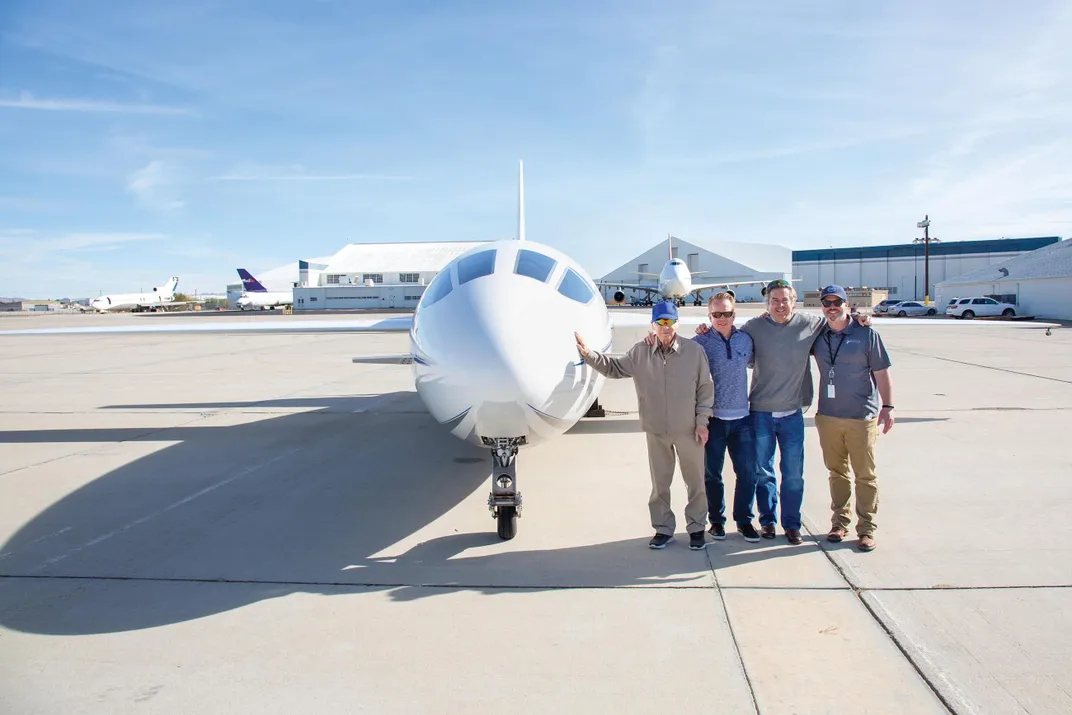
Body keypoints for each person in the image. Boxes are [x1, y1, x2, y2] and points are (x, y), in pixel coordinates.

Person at [696, 279, 869, 545]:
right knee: (762, 473)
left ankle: (790, 524)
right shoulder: (752, 328)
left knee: (791, 474)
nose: (779, 305)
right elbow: (717, 340)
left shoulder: (809, 324)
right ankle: (765, 522)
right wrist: (703, 329)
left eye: (785, 299)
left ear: (794, 300)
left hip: (791, 413)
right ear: (767, 303)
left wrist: (859, 317)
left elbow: (836, 319)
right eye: (774, 300)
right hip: (759, 413)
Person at [575, 300, 714, 550]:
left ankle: (696, 528)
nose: (666, 327)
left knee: (695, 483)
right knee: (660, 484)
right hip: (656, 431)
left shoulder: (694, 352)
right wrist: (588, 355)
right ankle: (663, 529)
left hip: (688, 430)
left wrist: (702, 422)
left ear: (677, 323)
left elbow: (705, 388)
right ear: (653, 325)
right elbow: (614, 368)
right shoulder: (640, 352)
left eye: (670, 322)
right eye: (660, 322)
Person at [646, 292, 759, 542]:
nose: (722, 318)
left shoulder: (745, 340)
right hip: (713, 420)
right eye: (716, 314)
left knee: (748, 473)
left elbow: (754, 361)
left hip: (742, 419)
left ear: (734, 314)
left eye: (727, 313)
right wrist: (653, 335)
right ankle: (716, 522)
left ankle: (744, 520)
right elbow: (673, 345)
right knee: (711, 475)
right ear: (709, 316)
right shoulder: (700, 342)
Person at [811, 285, 894, 552]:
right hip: (828, 416)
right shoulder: (817, 335)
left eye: (837, 302)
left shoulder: (866, 334)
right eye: (827, 302)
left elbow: (881, 373)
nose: (832, 307)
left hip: (861, 417)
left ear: (847, 305)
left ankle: (867, 528)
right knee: (837, 473)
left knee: (865, 475)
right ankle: (839, 522)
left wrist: (888, 406)